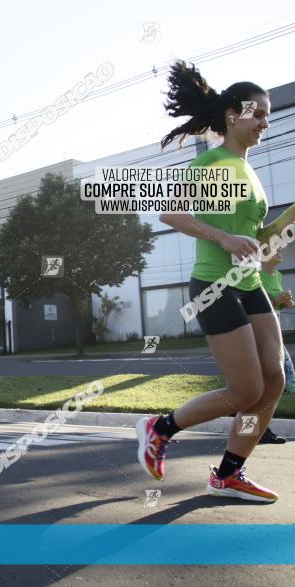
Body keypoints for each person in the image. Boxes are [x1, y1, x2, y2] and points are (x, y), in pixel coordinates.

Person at [137, 60, 284, 502]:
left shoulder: (249, 172)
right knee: (246, 390)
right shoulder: (214, 163)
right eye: (256, 114)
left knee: (273, 381)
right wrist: (224, 237)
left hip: (249, 282)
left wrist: (268, 247)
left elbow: (250, 237)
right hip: (213, 285)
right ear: (232, 115)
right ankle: (160, 428)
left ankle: (228, 473)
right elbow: (170, 212)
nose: (263, 123)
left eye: (267, 117)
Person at [256, 251, 293, 444]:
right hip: (258, 337)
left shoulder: (277, 276)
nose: (279, 251)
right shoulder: (255, 277)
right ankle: (256, 431)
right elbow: (250, 307)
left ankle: (258, 430)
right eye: (274, 247)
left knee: (274, 384)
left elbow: (273, 307)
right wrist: (277, 301)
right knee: (260, 387)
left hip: (274, 334)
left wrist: (285, 303)